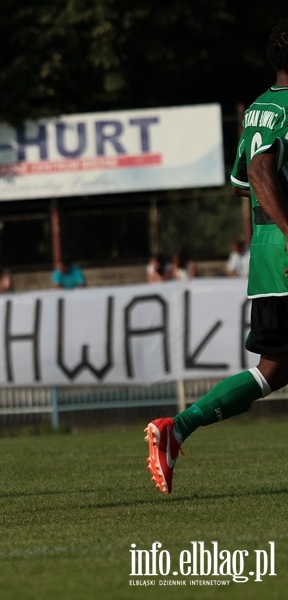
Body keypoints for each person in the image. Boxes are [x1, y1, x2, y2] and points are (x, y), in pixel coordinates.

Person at [145, 18, 288, 495]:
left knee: (273, 371)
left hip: (268, 260)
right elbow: (259, 169)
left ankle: (177, 428)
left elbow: (243, 184)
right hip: (286, 252)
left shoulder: (258, 110)